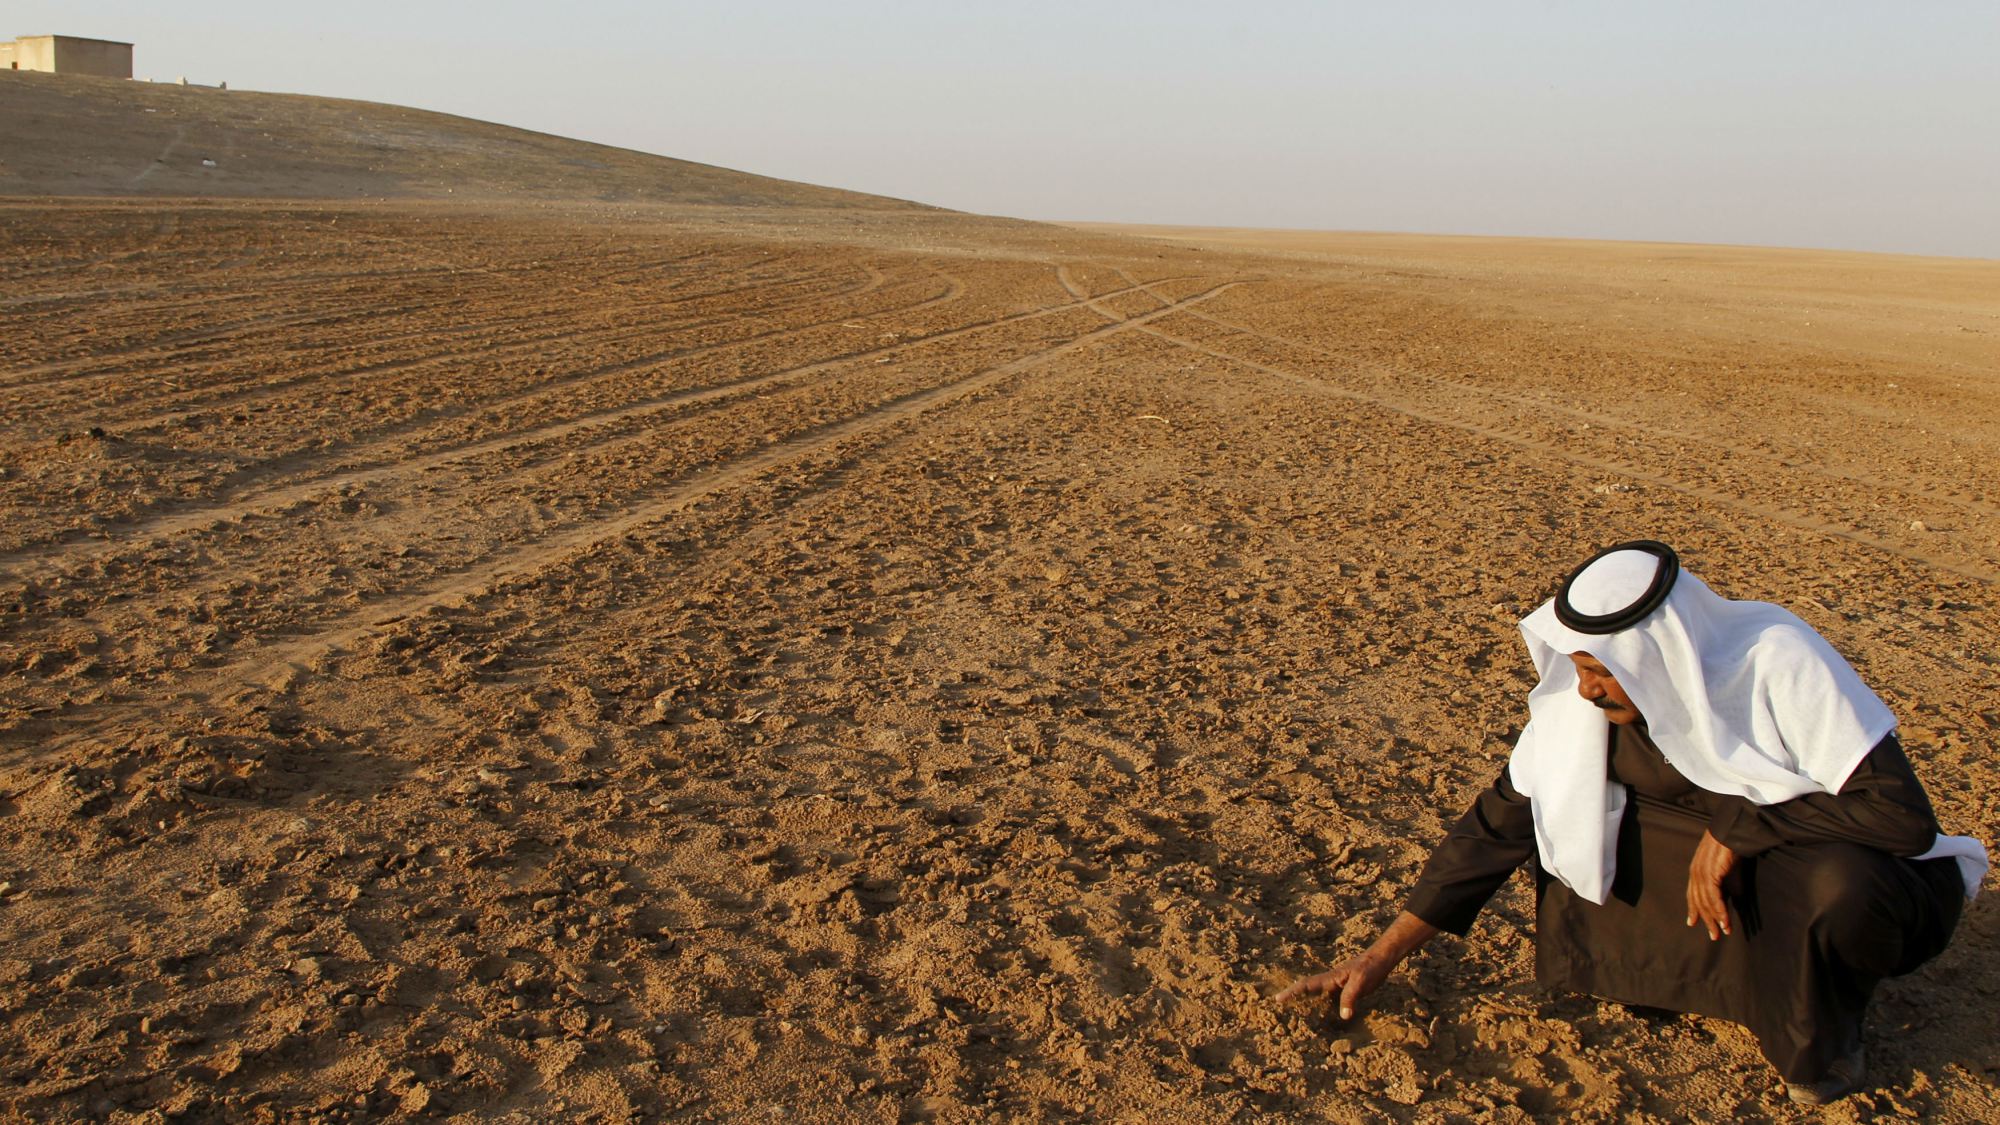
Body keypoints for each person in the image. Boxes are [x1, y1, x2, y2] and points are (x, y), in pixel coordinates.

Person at [1273, 541, 1987, 1105]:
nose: (1585, 686)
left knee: (1842, 881)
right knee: (1576, 808)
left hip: (1870, 883)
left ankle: (1826, 1037)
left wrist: (1741, 823)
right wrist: (1380, 955)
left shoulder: (1773, 659)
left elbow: (1898, 817)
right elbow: (1495, 828)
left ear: (1655, 658)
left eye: (1601, 669)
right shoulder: (1587, 710)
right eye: (1578, 664)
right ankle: (1685, 981)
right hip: (1740, 876)